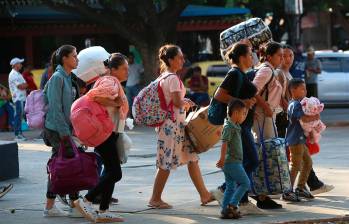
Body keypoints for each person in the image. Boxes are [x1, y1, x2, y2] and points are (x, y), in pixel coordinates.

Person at [148, 44, 213, 209]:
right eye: (180, 57)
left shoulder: (164, 77)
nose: (183, 60)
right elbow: (177, 102)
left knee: (192, 158)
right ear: (170, 60)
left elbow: (173, 101)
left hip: (174, 125)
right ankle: (155, 199)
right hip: (173, 126)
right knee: (166, 162)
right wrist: (184, 102)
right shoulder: (173, 78)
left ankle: (204, 194)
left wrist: (183, 102)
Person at [74, 53, 128, 223]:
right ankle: (86, 200)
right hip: (104, 133)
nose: (127, 72)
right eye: (124, 68)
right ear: (113, 69)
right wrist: (117, 103)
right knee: (115, 173)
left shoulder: (110, 80)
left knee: (111, 170)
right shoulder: (110, 81)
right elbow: (95, 96)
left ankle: (103, 210)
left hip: (107, 132)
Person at [42, 45, 82, 218]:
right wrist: (65, 133)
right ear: (64, 58)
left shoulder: (69, 77)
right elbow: (56, 109)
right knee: (67, 166)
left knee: (62, 166)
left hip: (65, 129)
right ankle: (73, 205)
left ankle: (53, 206)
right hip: (56, 130)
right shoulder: (57, 78)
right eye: (74, 56)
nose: (77, 59)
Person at [216, 100, 250, 219]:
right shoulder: (229, 126)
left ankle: (225, 211)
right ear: (235, 113)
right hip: (232, 162)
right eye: (244, 113)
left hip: (232, 162)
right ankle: (232, 206)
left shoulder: (234, 125)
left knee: (230, 187)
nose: (245, 116)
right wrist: (221, 159)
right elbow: (224, 143)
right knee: (245, 183)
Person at [284, 78, 317, 200]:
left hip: (300, 139)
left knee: (308, 163)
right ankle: (287, 190)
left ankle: (300, 187)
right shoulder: (295, 104)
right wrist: (315, 116)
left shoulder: (297, 103)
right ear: (293, 90)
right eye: (302, 89)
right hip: (295, 140)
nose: (305, 91)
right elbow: (303, 119)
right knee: (295, 165)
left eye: (305, 88)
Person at [252, 41, 283, 143]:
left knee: (267, 147)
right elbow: (253, 90)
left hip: (267, 112)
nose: (282, 59)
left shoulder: (269, 69)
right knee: (268, 147)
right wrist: (266, 108)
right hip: (263, 112)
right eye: (279, 55)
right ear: (269, 57)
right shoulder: (267, 70)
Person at [275, 44, 294, 138]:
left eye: (291, 55)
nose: (288, 59)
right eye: (284, 56)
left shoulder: (288, 72)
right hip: (281, 115)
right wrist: (290, 112)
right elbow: (279, 96)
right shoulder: (279, 73)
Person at [8, 57, 28, 141]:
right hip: (18, 98)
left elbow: (25, 85)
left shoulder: (18, 73)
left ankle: (19, 134)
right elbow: (21, 86)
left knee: (19, 116)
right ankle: (17, 135)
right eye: (20, 63)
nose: (21, 65)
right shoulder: (13, 74)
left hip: (21, 98)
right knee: (18, 116)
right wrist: (25, 85)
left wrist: (25, 85)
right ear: (15, 65)